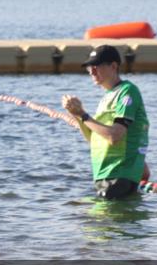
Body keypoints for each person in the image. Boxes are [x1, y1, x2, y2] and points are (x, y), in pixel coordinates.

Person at [61, 45, 150, 200]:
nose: (92, 71)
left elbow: (114, 136)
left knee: (94, 221)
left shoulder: (127, 92)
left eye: (96, 66)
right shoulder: (106, 97)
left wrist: (83, 115)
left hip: (118, 176)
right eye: (89, 67)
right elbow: (94, 138)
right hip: (105, 175)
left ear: (113, 66)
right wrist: (76, 115)